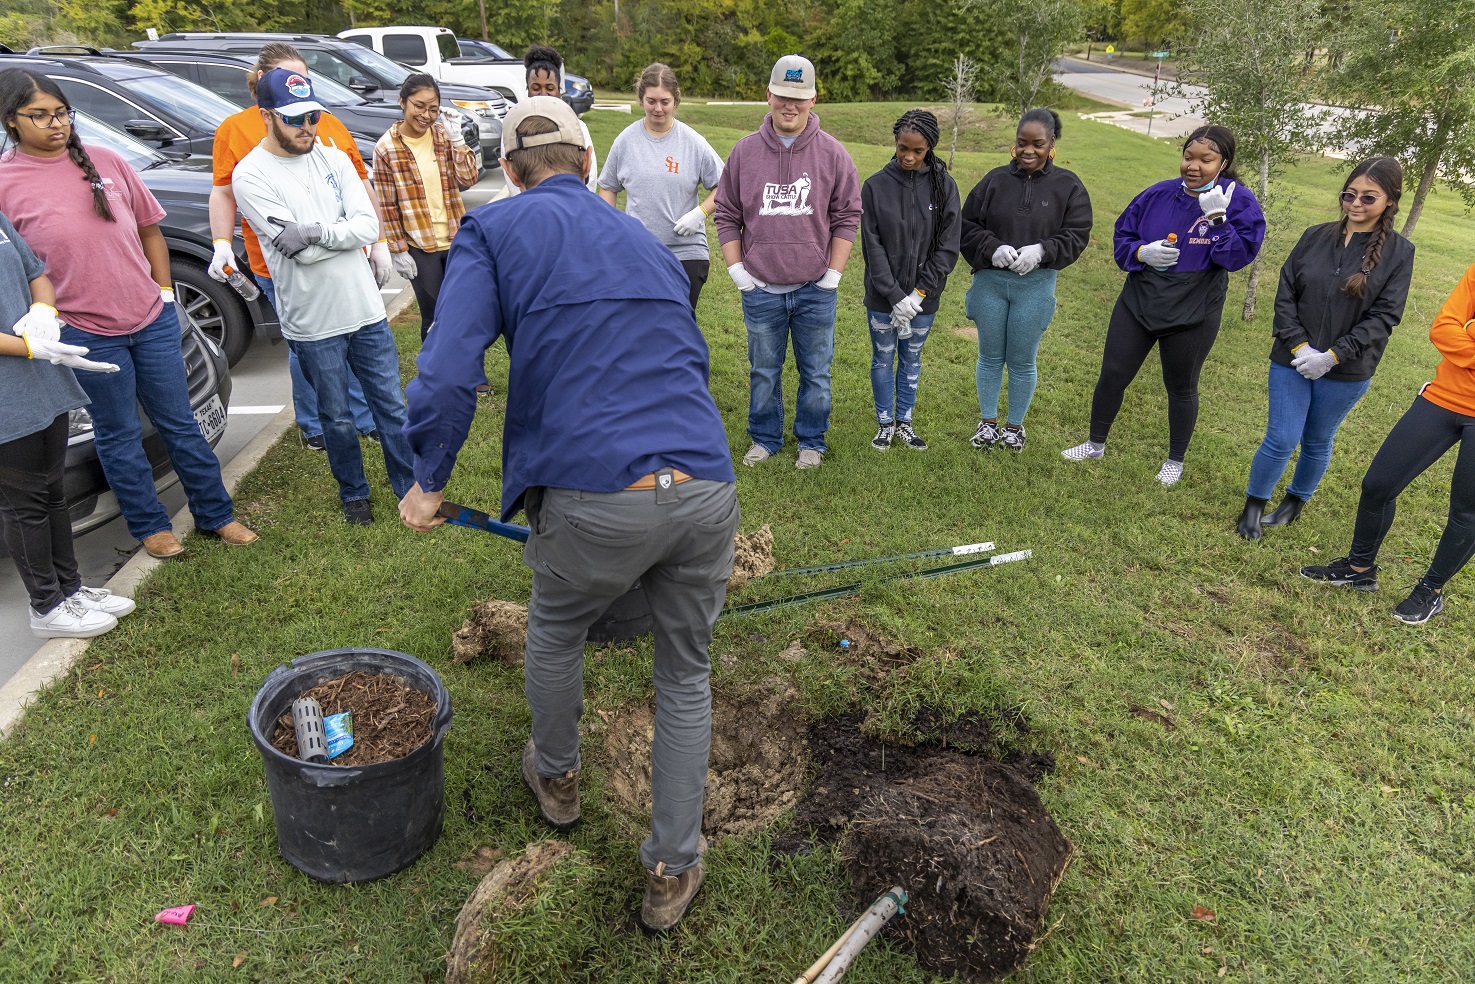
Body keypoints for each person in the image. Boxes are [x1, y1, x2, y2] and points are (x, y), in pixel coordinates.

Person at [398, 97, 738, 932]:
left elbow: (447, 373)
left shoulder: (492, 229)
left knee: (555, 627)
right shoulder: (645, 240)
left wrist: (427, 479)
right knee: (685, 673)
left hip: (593, 499)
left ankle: (556, 776)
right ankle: (672, 864)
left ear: (508, 172)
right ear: (589, 164)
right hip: (705, 486)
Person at [0, 69, 257, 559]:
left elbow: (150, 232)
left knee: (178, 421)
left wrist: (165, 294)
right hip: (83, 331)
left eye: (62, 113)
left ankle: (216, 514)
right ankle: (151, 526)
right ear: (11, 120)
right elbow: (17, 269)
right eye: (41, 116)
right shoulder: (5, 183)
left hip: (150, 317)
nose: (57, 124)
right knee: (118, 433)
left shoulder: (107, 160)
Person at [229, 69, 415, 526]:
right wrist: (339, 234)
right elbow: (301, 255)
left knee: (392, 407)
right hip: (312, 322)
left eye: (312, 115)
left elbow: (367, 227)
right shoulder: (249, 174)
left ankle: (409, 490)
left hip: (365, 311)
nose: (307, 127)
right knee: (336, 417)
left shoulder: (333, 157)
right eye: (295, 119)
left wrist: (313, 231)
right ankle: (354, 494)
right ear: (266, 116)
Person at [1063, 125, 1265, 485]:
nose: (1193, 166)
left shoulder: (1239, 202)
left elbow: (1236, 258)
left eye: (1206, 160)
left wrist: (1218, 221)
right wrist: (1142, 252)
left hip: (1194, 308)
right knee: (1113, 373)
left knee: (1181, 386)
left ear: (1223, 163)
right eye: (1188, 157)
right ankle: (1095, 443)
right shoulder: (1157, 194)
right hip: (1140, 301)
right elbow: (1122, 237)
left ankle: (1175, 460)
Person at [208, 41, 381, 450]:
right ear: (262, 82)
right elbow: (223, 191)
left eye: (302, 78)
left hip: (344, 254)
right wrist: (220, 242)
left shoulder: (326, 122)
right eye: (286, 78)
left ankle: (363, 417)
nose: (296, 87)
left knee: (354, 335)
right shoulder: (236, 129)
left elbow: (359, 181)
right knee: (308, 344)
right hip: (279, 261)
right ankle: (315, 423)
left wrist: (381, 240)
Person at [1236, 157, 1414, 540]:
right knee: (1282, 438)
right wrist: (1300, 347)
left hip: (1347, 368)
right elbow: (1286, 291)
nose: (1355, 204)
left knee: (1317, 439)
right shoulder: (1314, 235)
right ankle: (1253, 506)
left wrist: (1333, 356)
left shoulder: (1400, 253)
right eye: (1349, 195)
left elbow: (1385, 316)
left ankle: (1294, 503)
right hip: (1291, 358)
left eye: (1368, 197)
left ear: (1389, 201)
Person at [1300, 264, 1475, 625]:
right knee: (1378, 484)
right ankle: (1359, 569)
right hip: (1443, 398)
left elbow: (1457, 336)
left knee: (1466, 510)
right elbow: (1443, 329)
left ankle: (1431, 590)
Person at [714, 55, 862, 470]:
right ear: (769, 95)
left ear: (813, 99)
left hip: (815, 289)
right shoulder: (744, 152)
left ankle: (811, 439)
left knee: (816, 372)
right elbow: (725, 213)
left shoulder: (833, 154)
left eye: (798, 97)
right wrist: (738, 271)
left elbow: (848, 215)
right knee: (764, 370)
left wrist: (833, 274)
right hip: (761, 288)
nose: (789, 105)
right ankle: (765, 437)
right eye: (782, 95)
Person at [0, 210, 135, 637]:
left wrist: (44, 309)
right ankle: (46, 606)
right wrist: (30, 348)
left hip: (40, 383)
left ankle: (70, 591)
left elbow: (35, 273)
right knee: (24, 506)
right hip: (8, 396)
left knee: (53, 494)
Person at [959, 108, 1092, 452]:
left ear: (1052, 143)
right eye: (1022, 143)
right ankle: (987, 424)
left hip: (1035, 286)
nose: (1028, 150)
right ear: (1014, 143)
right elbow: (966, 225)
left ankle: (1014, 427)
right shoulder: (994, 181)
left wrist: (1043, 250)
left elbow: (1077, 233)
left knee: (1021, 360)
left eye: (1037, 144)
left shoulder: (1069, 186)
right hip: (990, 283)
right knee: (990, 356)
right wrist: (991, 247)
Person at [859, 109, 960, 451]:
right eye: (903, 148)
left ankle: (905, 422)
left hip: (923, 300)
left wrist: (917, 294)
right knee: (883, 357)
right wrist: (894, 295)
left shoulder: (945, 187)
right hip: (882, 298)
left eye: (918, 151)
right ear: (895, 142)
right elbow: (872, 248)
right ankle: (885, 424)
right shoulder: (875, 186)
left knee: (912, 358)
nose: (909, 157)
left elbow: (948, 247)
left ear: (930, 148)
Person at [597, 63, 725, 309]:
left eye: (665, 102)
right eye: (651, 101)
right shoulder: (626, 141)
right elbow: (608, 187)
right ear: (641, 99)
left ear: (676, 100)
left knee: (678, 325)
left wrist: (701, 213)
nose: (658, 108)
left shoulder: (693, 142)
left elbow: (725, 186)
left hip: (687, 254)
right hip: (638, 252)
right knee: (640, 323)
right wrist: (611, 227)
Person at [373, 74, 479, 340]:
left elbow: (469, 178)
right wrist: (399, 250)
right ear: (402, 102)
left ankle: (467, 367)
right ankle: (435, 367)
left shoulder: (443, 136)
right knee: (435, 317)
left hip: (455, 239)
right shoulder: (386, 148)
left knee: (464, 311)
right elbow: (388, 206)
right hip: (420, 247)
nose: (426, 115)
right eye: (419, 106)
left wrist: (458, 139)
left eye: (433, 109)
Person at [516, 46, 599, 194]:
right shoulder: (515, 130)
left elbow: (590, 178)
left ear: (559, 91)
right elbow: (514, 184)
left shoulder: (578, 127)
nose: (543, 94)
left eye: (550, 88)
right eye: (536, 88)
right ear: (527, 90)